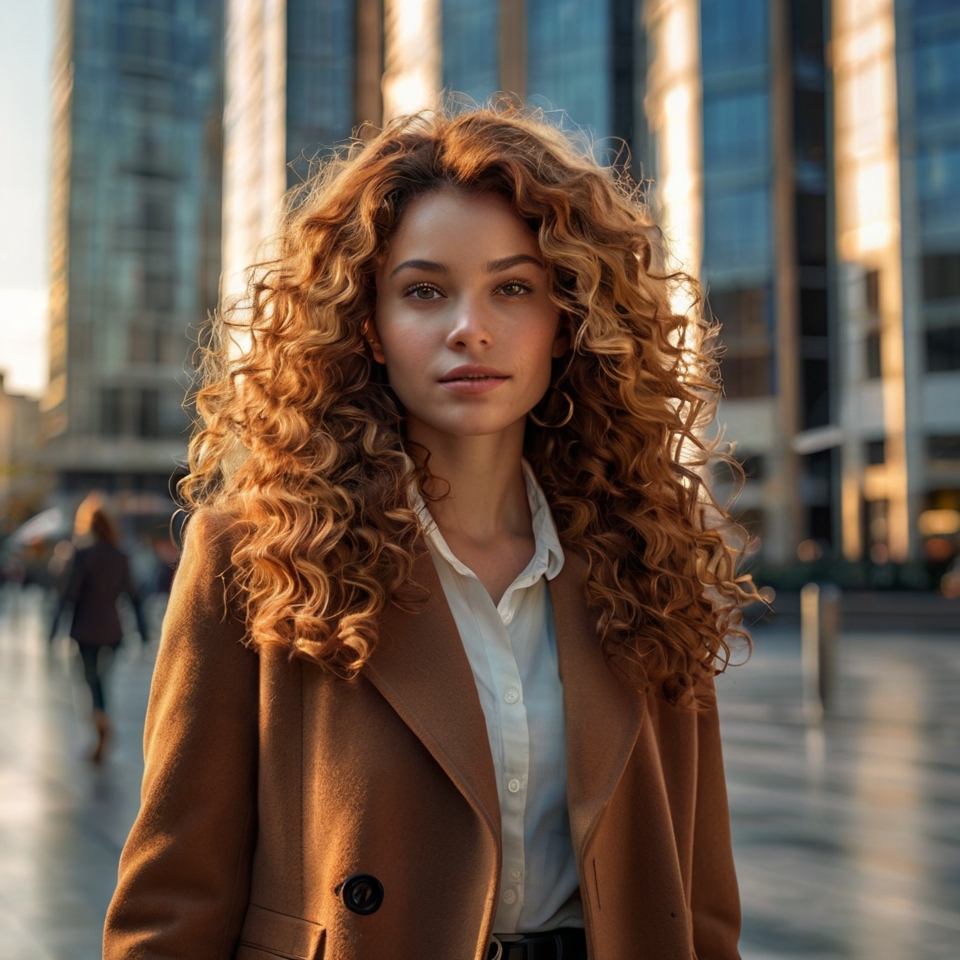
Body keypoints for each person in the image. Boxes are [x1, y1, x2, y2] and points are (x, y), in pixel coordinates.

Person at [104, 103, 754, 960]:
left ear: (567, 317)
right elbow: (173, 904)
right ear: (368, 325)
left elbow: (699, 898)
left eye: (513, 287)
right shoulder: (254, 553)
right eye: (424, 291)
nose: (469, 328)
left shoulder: (646, 555)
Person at [63, 506, 146, 762]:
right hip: (112, 630)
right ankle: (103, 718)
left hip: (85, 629)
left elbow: (70, 596)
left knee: (90, 681)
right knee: (102, 679)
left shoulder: (82, 555)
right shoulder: (120, 556)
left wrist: (55, 630)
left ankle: (100, 719)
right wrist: (142, 633)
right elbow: (133, 596)